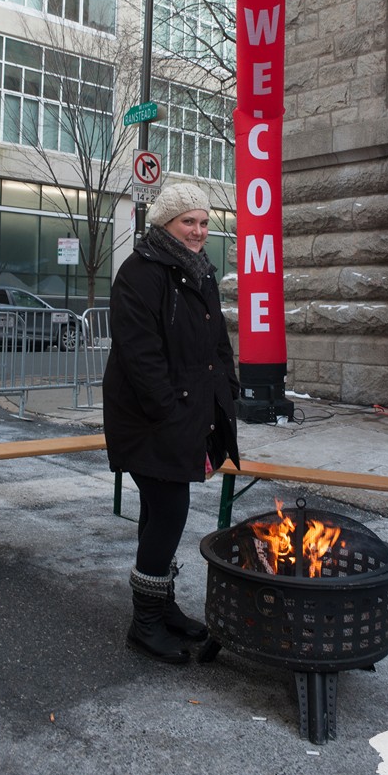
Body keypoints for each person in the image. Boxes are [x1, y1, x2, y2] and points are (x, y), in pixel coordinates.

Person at [102, 182, 240, 665]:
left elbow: (215, 346)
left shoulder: (198, 273)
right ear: (166, 224)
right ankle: (145, 624)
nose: (199, 231)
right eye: (189, 222)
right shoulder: (139, 274)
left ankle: (160, 608)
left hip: (183, 415)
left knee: (161, 514)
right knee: (168, 511)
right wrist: (173, 416)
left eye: (204, 222)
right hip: (148, 418)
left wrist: (228, 392)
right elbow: (143, 360)